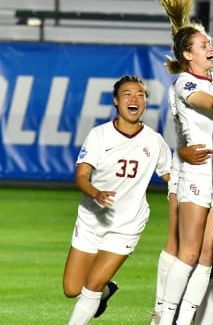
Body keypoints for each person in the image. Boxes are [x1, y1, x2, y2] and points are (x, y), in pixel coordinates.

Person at [63, 75, 171, 325]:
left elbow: (171, 177)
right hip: (91, 220)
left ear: (145, 102)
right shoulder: (100, 135)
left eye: (140, 94)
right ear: (115, 100)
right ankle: (107, 290)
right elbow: (81, 176)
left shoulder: (154, 141)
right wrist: (96, 193)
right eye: (127, 94)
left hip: (127, 224)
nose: (134, 98)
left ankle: (94, 295)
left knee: (91, 285)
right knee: (72, 288)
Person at [155, 0, 213, 325]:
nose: (210, 46)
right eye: (202, 44)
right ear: (188, 54)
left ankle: (185, 321)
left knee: (206, 255)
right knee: (187, 251)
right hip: (197, 175)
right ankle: (164, 316)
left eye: (209, 42)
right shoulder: (186, 83)